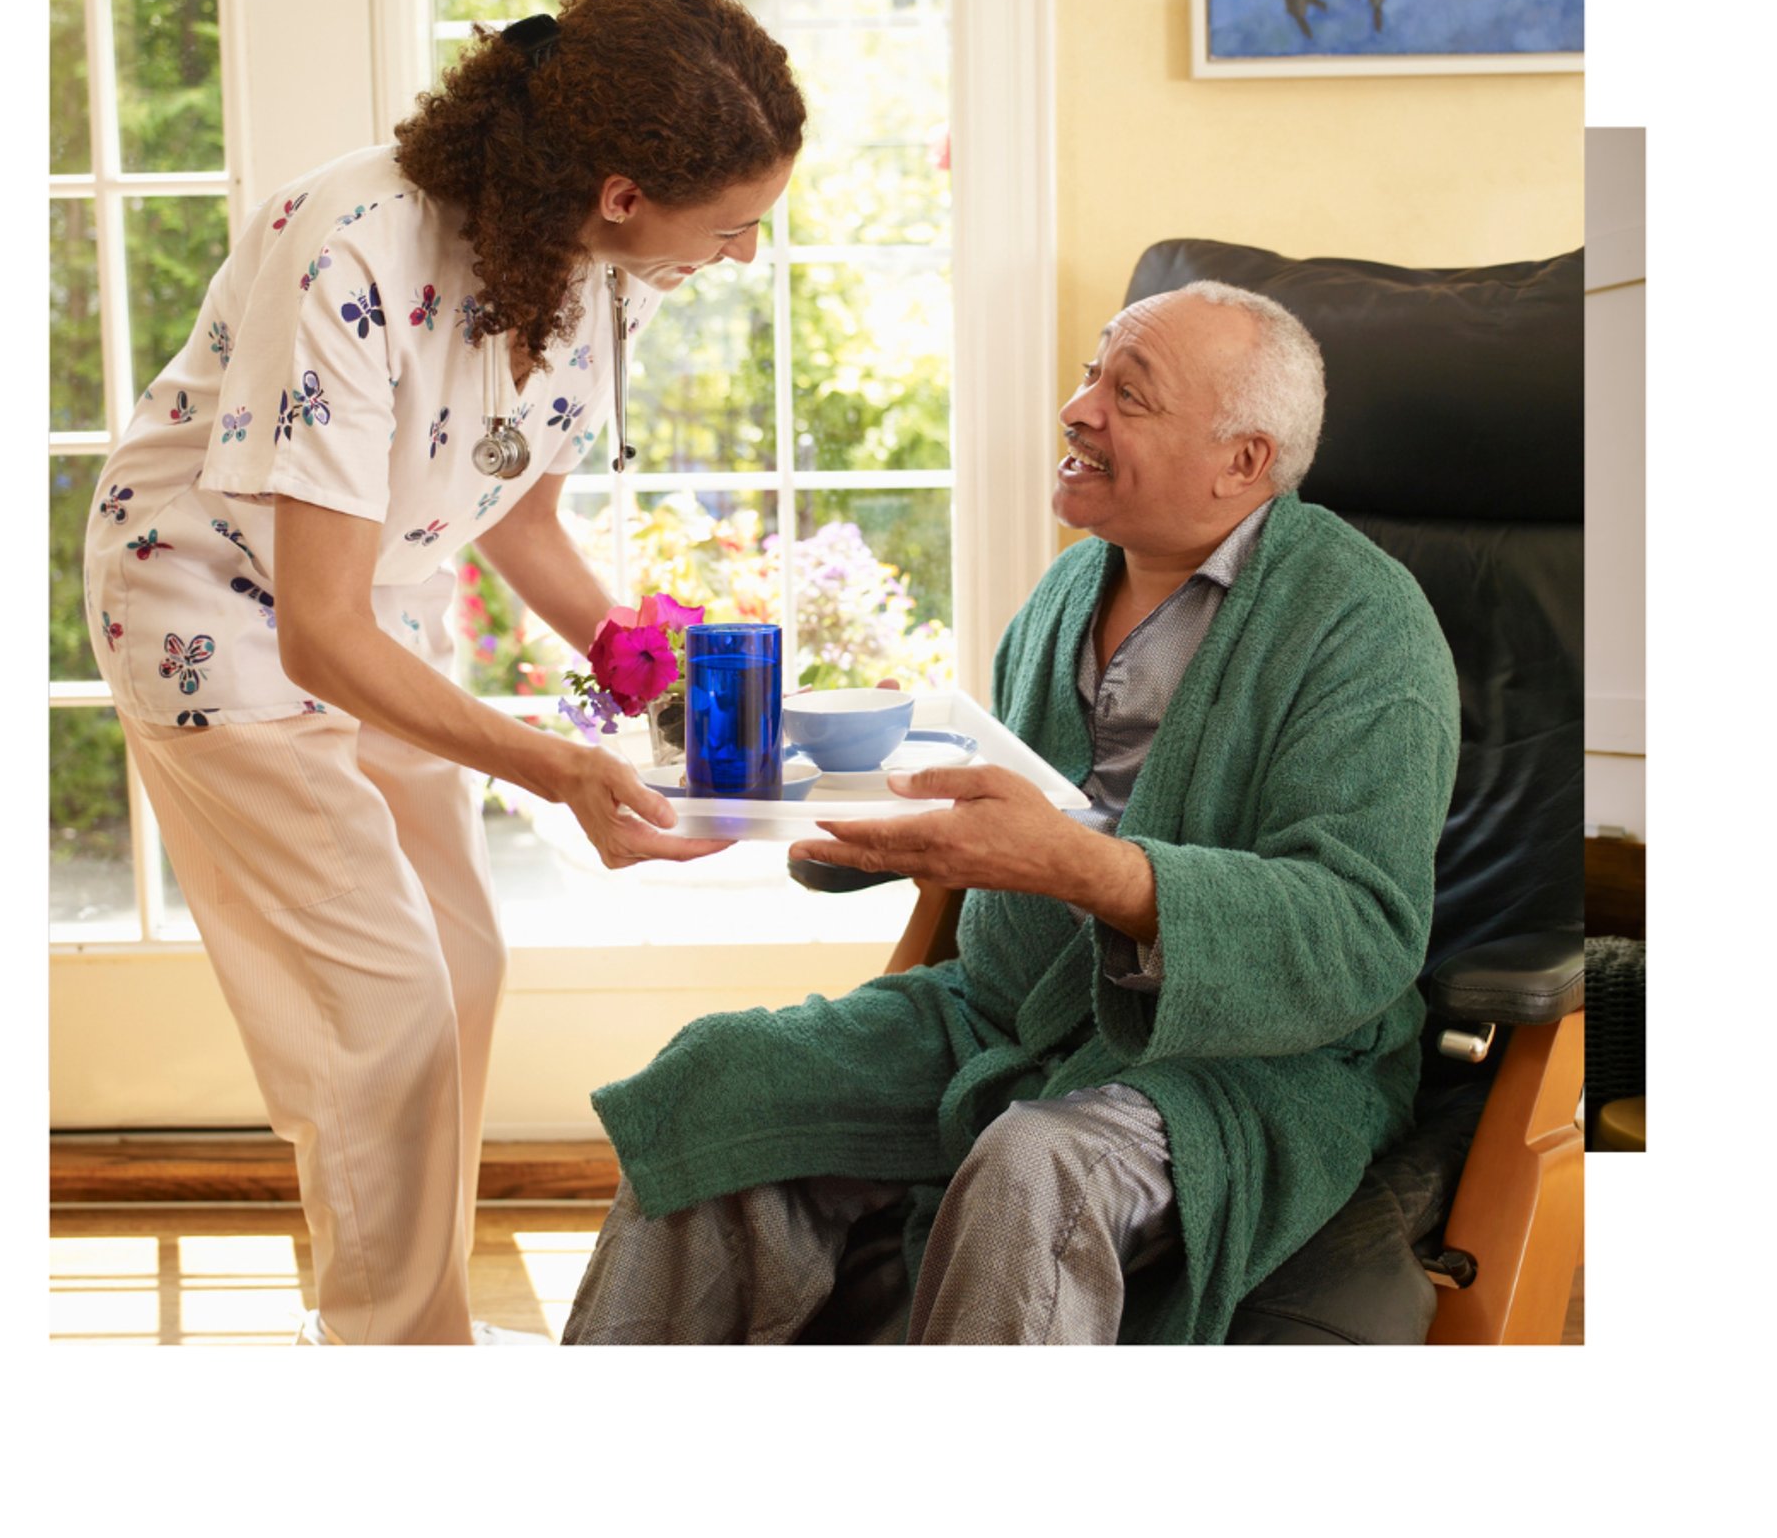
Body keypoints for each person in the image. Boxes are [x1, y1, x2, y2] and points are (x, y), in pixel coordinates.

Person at [82, 0, 804, 1345]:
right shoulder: (350, 248)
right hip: (213, 616)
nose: (746, 256)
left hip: (378, 601)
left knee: (461, 960)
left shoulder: (606, 267)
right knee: (383, 1007)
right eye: (737, 228)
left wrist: (639, 663)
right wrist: (554, 763)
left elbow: (512, 504)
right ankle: (393, 1360)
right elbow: (315, 626)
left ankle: (412, 1322)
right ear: (622, 190)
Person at [563, 280, 1461, 1346]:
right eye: (1092, 373)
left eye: (1131, 394)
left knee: (1034, 1165)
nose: (1079, 409)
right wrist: (807, 816)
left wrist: (1081, 868)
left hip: (1248, 1061)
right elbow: (1002, 808)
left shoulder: (1365, 628)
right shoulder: (1067, 592)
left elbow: (1361, 930)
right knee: (719, 1075)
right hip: (1008, 1010)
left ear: (1245, 462)